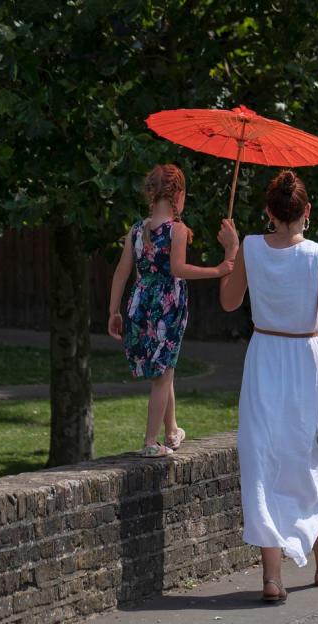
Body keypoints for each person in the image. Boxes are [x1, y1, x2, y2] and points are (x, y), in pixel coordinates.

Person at [218, 169, 318, 603]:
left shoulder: (252, 249)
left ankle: (272, 579)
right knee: (311, 459)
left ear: (268, 212)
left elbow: (228, 301)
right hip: (307, 358)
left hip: (264, 359)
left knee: (262, 460)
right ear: (307, 211)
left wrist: (231, 251)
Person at [108, 164, 234, 457]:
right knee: (163, 373)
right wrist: (217, 269)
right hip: (167, 306)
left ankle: (172, 429)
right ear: (178, 195)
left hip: (140, 303)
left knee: (165, 368)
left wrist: (114, 310)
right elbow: (178, 268)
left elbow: (121, 271)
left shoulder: (137, 230)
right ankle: (151, 442)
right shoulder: (177, 230)